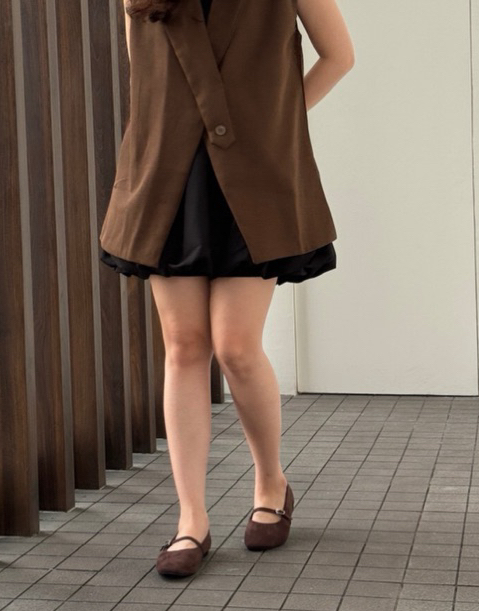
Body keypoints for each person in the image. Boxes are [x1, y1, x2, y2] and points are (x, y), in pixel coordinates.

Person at [99, 0, 354, 578]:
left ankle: (271, 482)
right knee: (184, 346)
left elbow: (339, 56)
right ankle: (191, 518)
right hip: (168, 181)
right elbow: (145, 80)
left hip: (255, 178)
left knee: (236, 346)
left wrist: (273, 125)